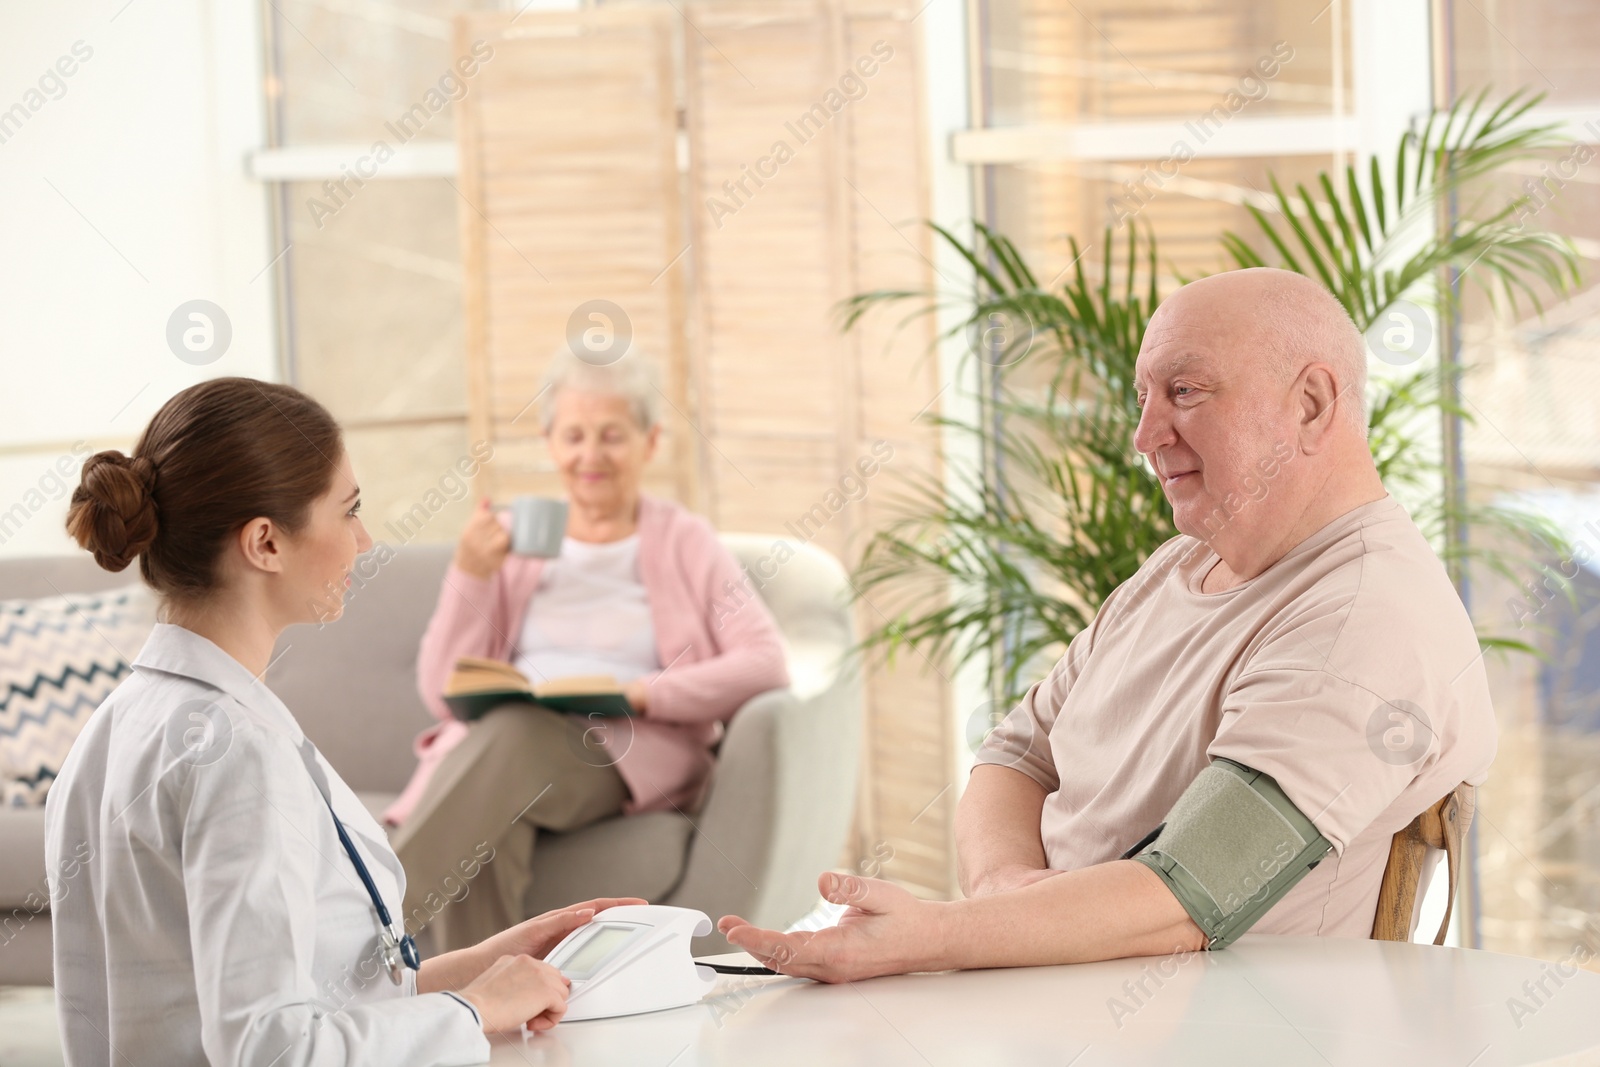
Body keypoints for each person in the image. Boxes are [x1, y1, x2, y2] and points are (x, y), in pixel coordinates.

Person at [717, 268, 1498, 981]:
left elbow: (1192, 890)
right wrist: (1002, 892)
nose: (1145, 434)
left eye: (1186, 391)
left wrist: (938, 933)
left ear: (1311, 404)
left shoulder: (1366, 616)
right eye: (1144, 397)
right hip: (1051, 1007)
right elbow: (1016, 756)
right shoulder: (1175, 569)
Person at [46, 377, 646, 1066]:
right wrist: (476, 1010)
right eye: (349, 509)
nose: (363, 540)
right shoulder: (235, 753)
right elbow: (274, 1050)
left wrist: (479, 968)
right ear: (265, 543)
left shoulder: (113, 729)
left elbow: (282, 1001)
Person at [386, 349, 789, 952]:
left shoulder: (684, 540)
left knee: (515, 736)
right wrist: (470, 575)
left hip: (614, 750)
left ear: (650, 442)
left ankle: (363, 929)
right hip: (508, 750)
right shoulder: (516, 538)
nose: (590, 456)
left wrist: (643, 693)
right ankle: (485, 1016)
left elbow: (765, 662)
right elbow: (441, 690)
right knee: (489, 838)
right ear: (550, 442)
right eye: (573, 436)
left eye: (612, 436)